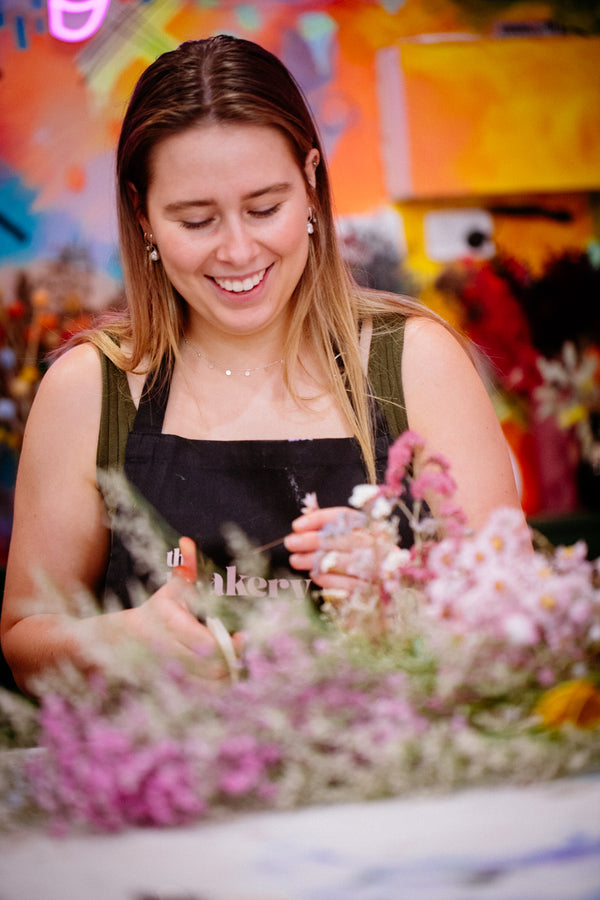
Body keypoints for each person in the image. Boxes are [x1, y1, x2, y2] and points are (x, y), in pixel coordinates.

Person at [0, 35, 522, 694]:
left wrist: (406, 598)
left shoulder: (417, 363)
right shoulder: (89, 388)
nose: (238, 250)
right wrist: (119, 642)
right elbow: (25, 636)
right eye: (197, 220)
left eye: (264, 208)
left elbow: (514, 617)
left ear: (310, 182)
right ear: (143, 214)